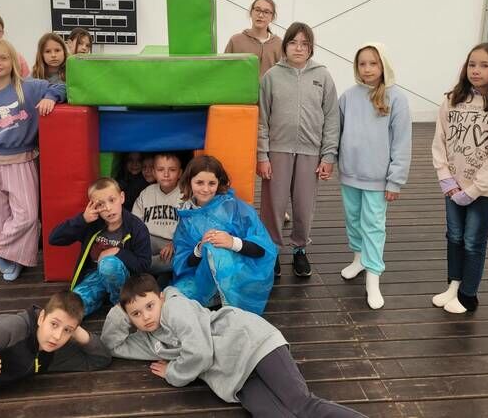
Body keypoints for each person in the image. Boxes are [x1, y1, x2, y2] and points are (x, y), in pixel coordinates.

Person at [101, 274, 366, 418]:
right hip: (234, 377)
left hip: (252, 343)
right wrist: (120, 310)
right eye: (136, 314)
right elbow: (112, 345)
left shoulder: (174, 307)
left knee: (301, 404)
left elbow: (200, 353)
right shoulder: (149, 341)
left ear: (161, 298)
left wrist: (174, 372)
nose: (146, 316)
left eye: (149, 306)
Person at [0, 39, 65, 281]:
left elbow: (62, 86)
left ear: (13, 61)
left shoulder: (28, 88)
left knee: (26, 215)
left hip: (21, 162)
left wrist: (51, 97)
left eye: (3, 57)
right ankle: (11, 260)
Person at [431, 42, 488, 314]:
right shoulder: (451, 101)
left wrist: (473, 190)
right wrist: (446, 178)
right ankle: (453, 285)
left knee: (473, 241)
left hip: (483, 192)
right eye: (472, 64)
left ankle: (468, 295)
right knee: (454, 236)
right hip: (453, 187)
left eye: (484, 65)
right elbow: (440, 141)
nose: (476, 70)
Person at [257, 22, 340, 278]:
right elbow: (261, 119)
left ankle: (300, 249)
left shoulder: (323, 76)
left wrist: (328, 155)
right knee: (273, 205)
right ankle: (272, 250)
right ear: (285, 46)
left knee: (304, 206)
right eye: (293, 42)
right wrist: (262, 155)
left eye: (305, 44)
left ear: (311, 48)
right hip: (277, 152)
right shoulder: (271, 77)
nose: (299, 48)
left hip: (310, 152)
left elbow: (332, 118)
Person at [338, 44, 412, 310]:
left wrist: (395, 180)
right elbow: (337, 132)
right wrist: (331, 160)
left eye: (373, 63)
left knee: (373, 225)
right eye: (362, 64)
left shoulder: (397, 98)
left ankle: (373, 276)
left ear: (383, 65)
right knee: (353, 219)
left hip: (378, 179)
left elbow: (402, 142)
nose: (367, 69)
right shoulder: (348, 96)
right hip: (349, 174)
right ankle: (358, 259)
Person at [172, 155, 276, 315]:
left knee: (215, 247)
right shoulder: (187, 216)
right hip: (201, 277)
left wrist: (232, 242)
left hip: (238, 276)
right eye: (199, 182)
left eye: (211, 183)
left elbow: (261, 250)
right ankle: (213, 296)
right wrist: (199, 248)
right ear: (189, 182)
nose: (205, 189)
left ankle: (231, 307)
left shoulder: (233, 207)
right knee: (174, 298)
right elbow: (184, 261)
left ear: (219, 183)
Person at [48, 177, 151, 316]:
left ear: (122, 197)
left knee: (108, 264)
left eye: (112, 200)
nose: (108, 208)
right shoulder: (91, 224)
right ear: (94, 207)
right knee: (69, 309)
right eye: (101, 204)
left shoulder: (136, 227)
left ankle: (121, 304)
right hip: (94, 278)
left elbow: (144, 265)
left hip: (124, 282)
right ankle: (99, 299)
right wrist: (82, 219)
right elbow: (54, 239)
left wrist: (117, 252)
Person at [133, 153, 182, 277]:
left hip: (173, 243)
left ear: (180, 173)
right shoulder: (146, 193)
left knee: (181, 259)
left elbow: (190, 227)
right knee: (134, 244)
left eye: (172, 170)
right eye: (160, 170)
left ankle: (139, 268)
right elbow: (135, 223)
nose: (166, 174)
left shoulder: (185, 194)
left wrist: (175, 243)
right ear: (154, 173)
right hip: (149, 240)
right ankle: (148, 269)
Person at [224, 0, 283, 77]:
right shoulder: (236, 41)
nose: (261, 15)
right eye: (257, 10)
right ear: (251, 12)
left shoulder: (278, 44)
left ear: (272, 17)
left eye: (266, 12)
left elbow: (283, 75)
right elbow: (225, 70)